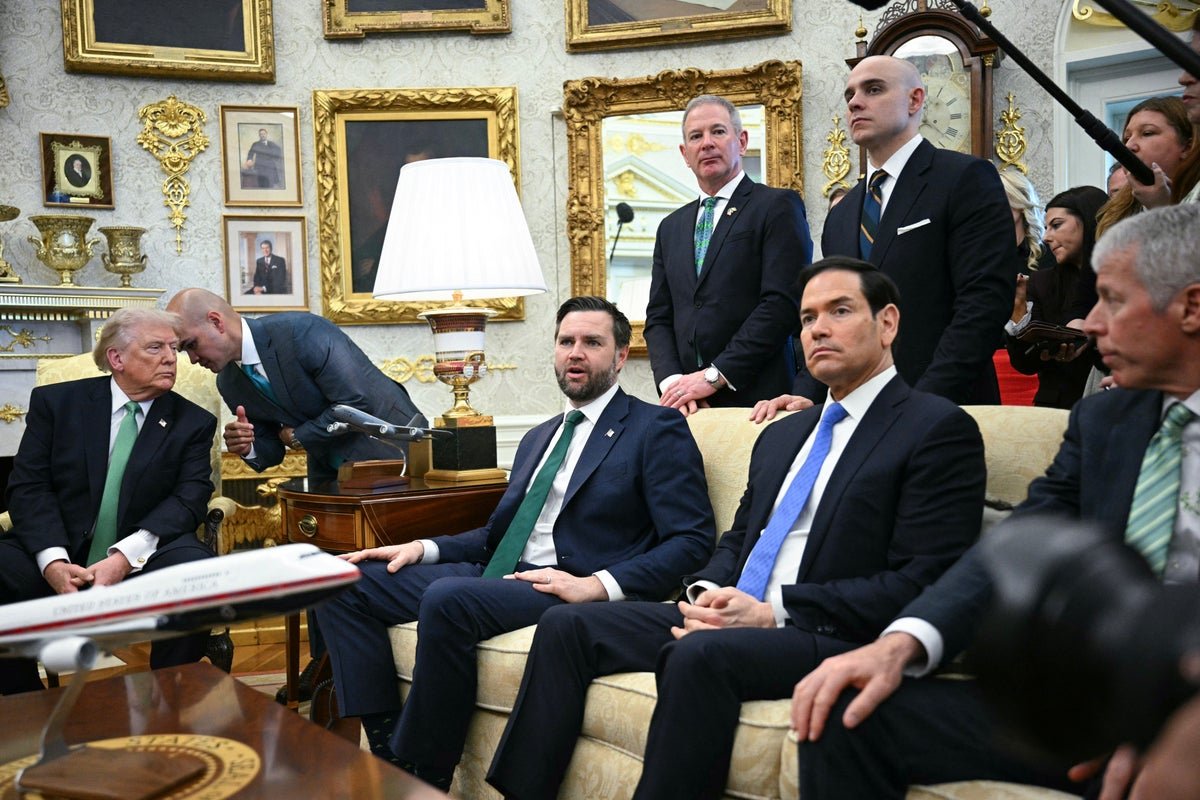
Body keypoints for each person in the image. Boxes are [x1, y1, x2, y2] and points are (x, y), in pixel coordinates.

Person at [487, 258, 987, 800]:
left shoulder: (935, 428)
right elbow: (738, 540)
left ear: (887, 323)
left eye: (839, 311)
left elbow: (923, 579)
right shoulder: (782, 434)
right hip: (736, 614)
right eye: (807, 317)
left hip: (824, 629)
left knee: (699, 656)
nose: (818, 328)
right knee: (569, 626)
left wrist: (774, 613)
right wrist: (707, 594)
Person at [790, 204, 1200, 800]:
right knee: (847, 713)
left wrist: (1179, 726)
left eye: (1111, 300)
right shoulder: (1105, 419)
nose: (1088, 324)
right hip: (1093, 702)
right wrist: (901, 644)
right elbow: (1013, 547)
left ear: (1191, 306)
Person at [314, 296, 716, 790]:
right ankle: (385, 743)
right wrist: (423, 548)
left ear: (618, 356)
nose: (576, 353)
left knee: (448, 598)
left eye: (592, 342)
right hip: (504, 573)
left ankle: (426, 773)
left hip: (563, 585)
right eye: (566, 341)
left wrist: (597, 585)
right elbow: (498, 536)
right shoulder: (539, 437)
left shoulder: (655, 429)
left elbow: (692, 540)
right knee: (342, 580)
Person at [0, 308, 217, 695]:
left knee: (195, 575)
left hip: (147, 550)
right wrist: (53, 561)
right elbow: (28, 487)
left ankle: (168, 702)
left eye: (173, 347)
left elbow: (190, 498)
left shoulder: (193, 422)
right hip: (62, 543)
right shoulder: (57, 404)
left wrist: (123, 557)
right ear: (116, 359)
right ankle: (24, 707)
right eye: (155, 347)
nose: (171, 357)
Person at [795, 56, 1014, 408]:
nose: (854, 102)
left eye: (874, 89)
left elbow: (984, 302)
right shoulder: (842, 215)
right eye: (849, 94)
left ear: (915, 100)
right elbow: (833, 313)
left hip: (944, 406)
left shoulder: (964, 178)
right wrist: (805, 393)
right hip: (855, 409)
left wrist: (922, 402)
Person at [643, 94, 813, 417]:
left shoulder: (776, 207)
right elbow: (659, 318)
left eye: (718, 132)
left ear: (742, 141)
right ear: (685, 154)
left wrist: (714, 376)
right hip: (689, 410)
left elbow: (781, 305)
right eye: (696, 136)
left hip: (762, 404)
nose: (706, 143)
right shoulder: (670, 227)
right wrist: (675, 385)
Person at [166, 289, 422, 483]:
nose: (193, 359)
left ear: (216, 322)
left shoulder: (302, 332)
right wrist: (248, 446)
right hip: (332, 477)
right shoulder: (229, 382)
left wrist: (300, 437)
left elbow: (355, 402)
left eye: (191, 345)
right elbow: (273, 450)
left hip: (399, 457)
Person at [1005, 186, 1108, 409]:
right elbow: (1025, 364)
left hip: (1112, 401)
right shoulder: (1042, 282)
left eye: (1056, 225)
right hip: (1058, 409)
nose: (1047, 237)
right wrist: (1018, 312)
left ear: (1089, 222)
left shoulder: (1123, 278)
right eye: (1045, 228)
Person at [1095, 96, 1199, 236]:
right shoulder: (1118, 213)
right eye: (1126, 138)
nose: (1129, 146)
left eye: (1147, 133)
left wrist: (1160, 208)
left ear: (1187, 146)